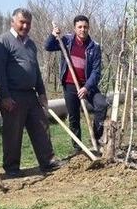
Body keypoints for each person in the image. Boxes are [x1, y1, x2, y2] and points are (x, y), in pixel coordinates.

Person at [0, 8, 61, 176]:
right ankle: (12, 168)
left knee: (41, 127)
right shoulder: (3, 42)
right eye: (22, 22)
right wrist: (5, 96)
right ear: (12, 22)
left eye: (28, 23)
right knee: (13, 133)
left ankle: (48, 161)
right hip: (12, 95)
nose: (25, 26)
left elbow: (35, 69)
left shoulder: (30, 43)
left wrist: (42, 92)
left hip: (31, 94)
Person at [44, 15, 107, 151]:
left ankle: (97, 139)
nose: (82, 30)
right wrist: (53, 35)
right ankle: (77, 148)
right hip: (70, 85)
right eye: (79, 27)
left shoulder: (94, 47)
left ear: (88, 28)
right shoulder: (66, 40)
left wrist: (86, 87)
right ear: (75, 28)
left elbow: (96, 71)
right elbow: (48, 47)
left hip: (88, 85)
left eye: (85, 27)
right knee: (74, 117)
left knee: (101, 104)